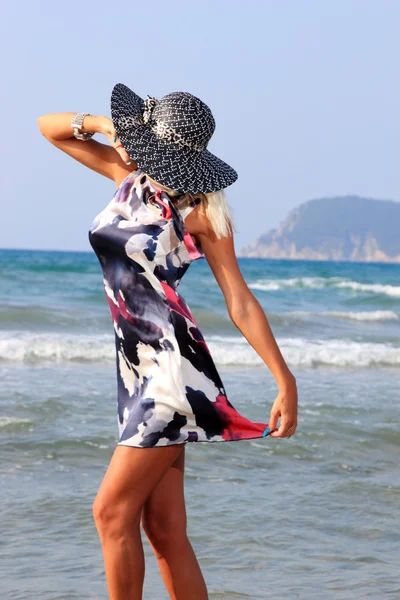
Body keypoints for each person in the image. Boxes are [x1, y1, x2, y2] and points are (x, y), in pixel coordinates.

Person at [37, 83, 298, 600]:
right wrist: (106, 126)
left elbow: (240, 302)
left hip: (170, 370)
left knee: (110, 513)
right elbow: (48, 127)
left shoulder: (201, 215)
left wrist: (284, 380)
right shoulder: (126, 178)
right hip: (135, 370)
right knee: (163, 530)